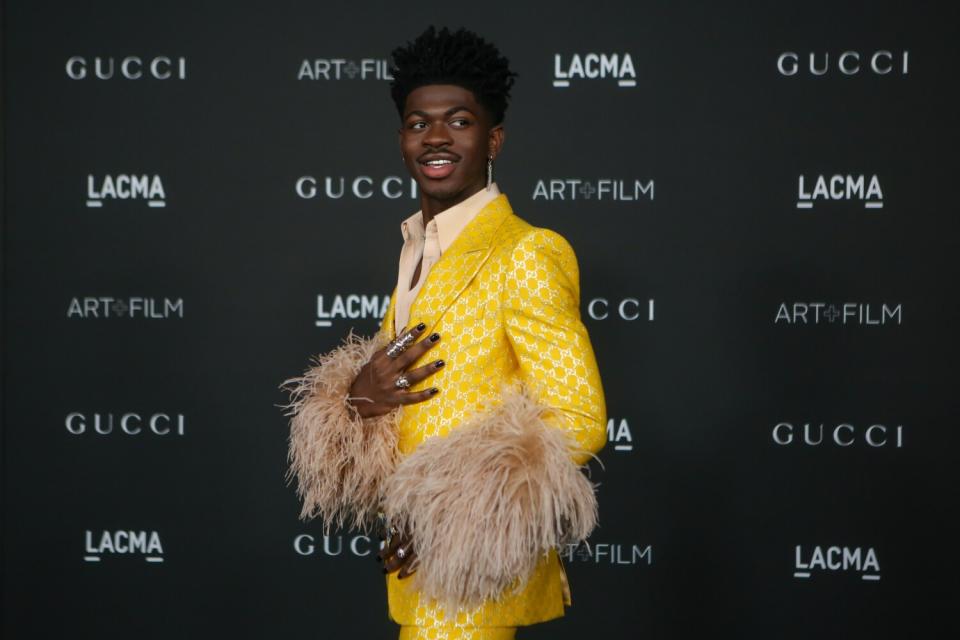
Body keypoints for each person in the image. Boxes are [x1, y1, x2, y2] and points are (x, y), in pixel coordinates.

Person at [280, 25, 607, 640]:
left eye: (458, 121)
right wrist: (353, 402)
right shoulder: (414, 254)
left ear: (494, 139)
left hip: (476, 574)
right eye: (417, 123)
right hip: (417, 579)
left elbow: (579, 417)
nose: (435, 136)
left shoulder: (525, 252)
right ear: (402, 140)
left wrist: (447, 520)